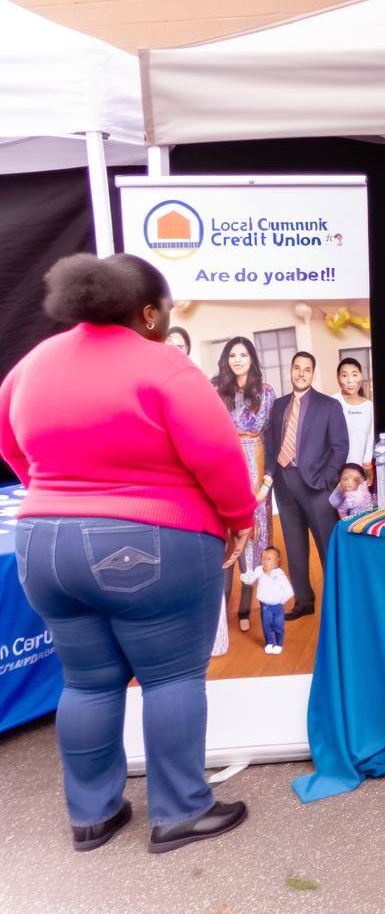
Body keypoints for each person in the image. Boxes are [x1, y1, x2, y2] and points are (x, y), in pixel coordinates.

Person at [0, 254, 255, 854]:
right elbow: (216, 453)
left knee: (86, 683)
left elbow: (10, 443)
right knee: (170, 678)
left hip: (42, 543)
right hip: (148, 542)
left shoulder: (33, 362)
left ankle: (92, 816)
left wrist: (53, 492)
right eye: (164, 313)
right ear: (147, 313)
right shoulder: (162, 364)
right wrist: (239, 517)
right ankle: (180, 812)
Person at [264, 352, 349, 619]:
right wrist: (271, 475)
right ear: (291, 371)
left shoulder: (329, 406)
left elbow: (340, 447)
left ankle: (339, 602)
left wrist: (327, 480)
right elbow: (270, 444)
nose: (301, 373)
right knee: (294, 544)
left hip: (316, 486)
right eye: (297, 368)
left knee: (327, 545)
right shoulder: (277, 406)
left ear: (313, 374)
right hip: (284, 482)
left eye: (307, 369)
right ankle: (304, 601)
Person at [213, 336, 275, 632]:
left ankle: (245, 609)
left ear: (252, 358)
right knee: (225, 531)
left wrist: (268, 479)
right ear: (226, 360)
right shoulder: (216, 390)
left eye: (243, 354)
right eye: (232, 355)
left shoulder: (265, 392)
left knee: (254, 533)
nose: (238, 360)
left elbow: (273, 436)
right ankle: (221, 609)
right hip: (226, 464)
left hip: (258, 466)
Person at [240, 546, 295, 656]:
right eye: (263, 558)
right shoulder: (259, 570)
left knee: (278, 626)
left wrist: (281, 600)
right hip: (265, 606)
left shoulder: (279, 574)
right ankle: (269, 642)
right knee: (266, 626)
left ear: (277, 561)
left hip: (278, 606)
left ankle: (278, 644)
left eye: (269, 558)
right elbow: (250, 579)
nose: (265, 561)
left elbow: (289, 590)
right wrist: (245, 576)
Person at [333, 357, 376, 472]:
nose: (350, 380)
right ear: (338, 377)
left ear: (361, 376)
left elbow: (370, 438)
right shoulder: (331, 403)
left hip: (359, 473)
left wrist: (366, 465)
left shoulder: (369, 406)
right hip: (334, 472)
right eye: (344, 375)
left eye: (354, 374)